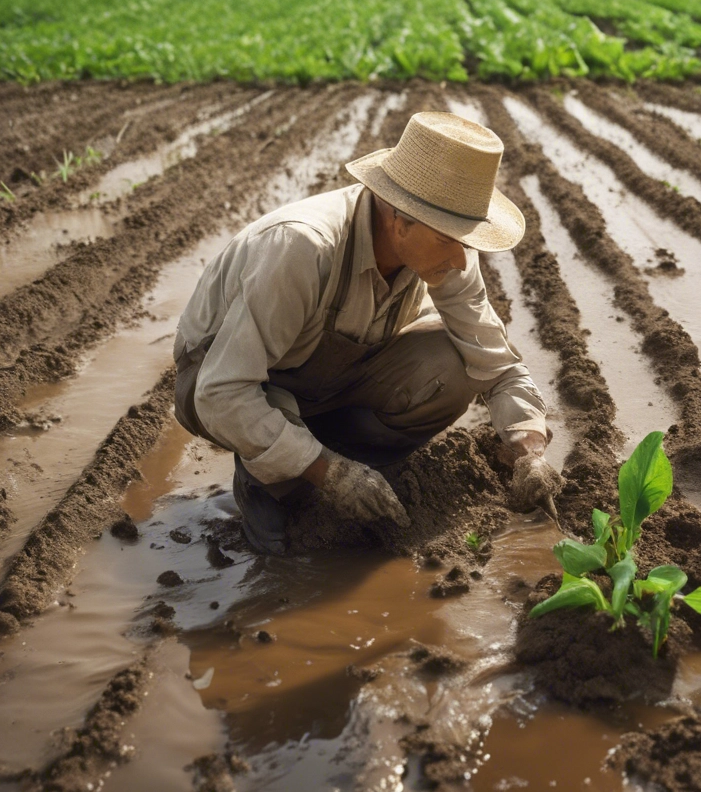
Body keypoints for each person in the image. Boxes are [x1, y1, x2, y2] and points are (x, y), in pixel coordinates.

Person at [172, 111, 562, 555]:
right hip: (230, 380)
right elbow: (221, 392)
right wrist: (329, 474)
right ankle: (278, 478)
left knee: (454, 363)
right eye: (450, 240)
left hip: (333, 372)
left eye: (467, 241)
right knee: (283, 543)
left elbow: (498, 366)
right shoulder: (302, 248)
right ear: (401, 220)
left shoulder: (444, 250)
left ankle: (346, 458)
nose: (460, 259)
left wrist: (530, 454)